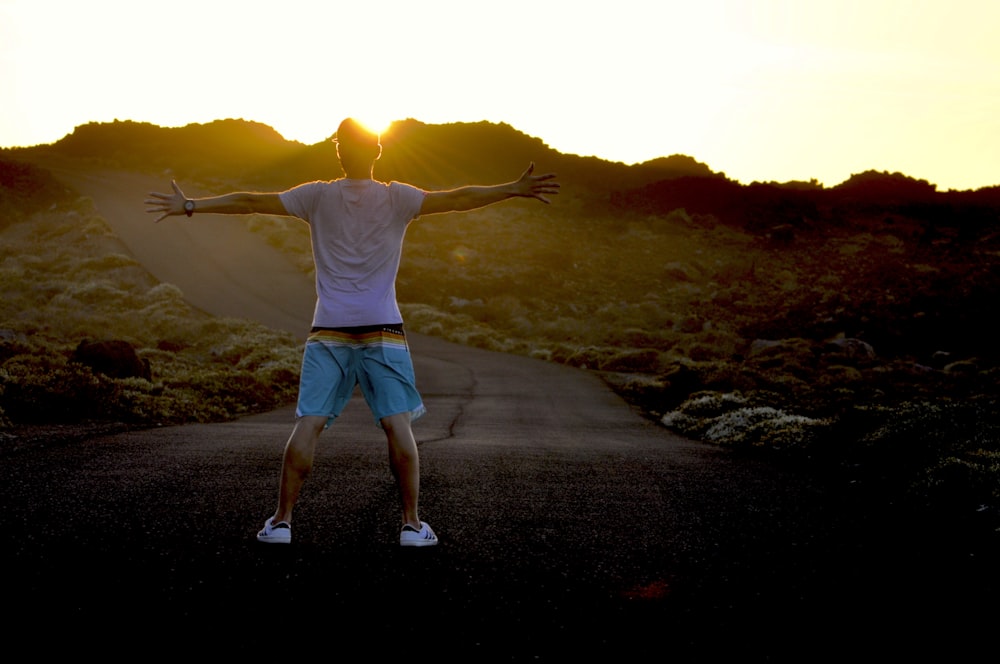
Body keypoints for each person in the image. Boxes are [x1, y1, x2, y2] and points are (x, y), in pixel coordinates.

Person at [145, 118, 559, 547]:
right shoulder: (399, 197)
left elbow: (249, 201)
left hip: (329, 329)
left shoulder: (316, 195)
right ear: (377, 150)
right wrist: (511, 188)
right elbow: (458, 198)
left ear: (338, 152)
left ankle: (282, 523)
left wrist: (191, 205)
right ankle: (412, 526)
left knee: (310, 423)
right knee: (397, 426)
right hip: (383, 327)